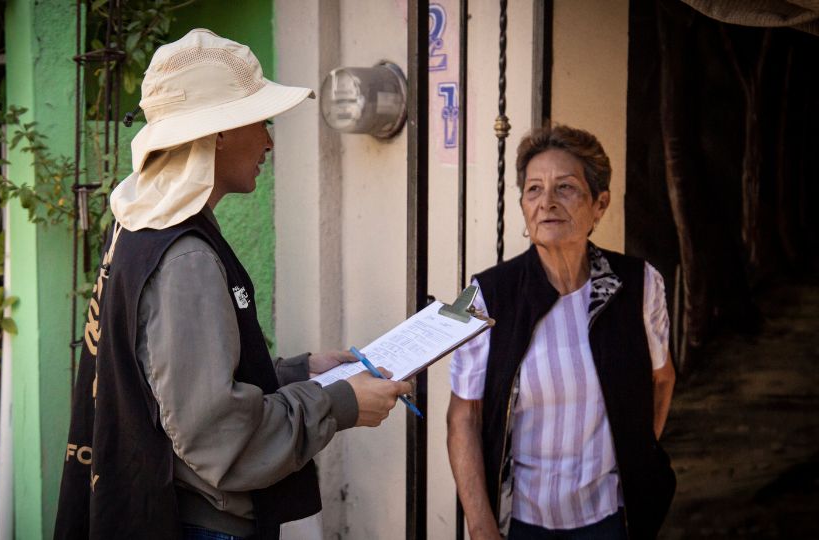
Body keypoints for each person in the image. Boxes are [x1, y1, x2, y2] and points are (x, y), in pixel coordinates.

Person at [54, 29, 412, 540]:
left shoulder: (139, 228)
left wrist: (299, 371)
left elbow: (172, 388)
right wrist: (341, 403)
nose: (268, 140)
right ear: (218, 132)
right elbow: (221, 439)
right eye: (259, 120)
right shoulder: (185, 256)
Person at [447, 125, 677, 540]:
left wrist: (634, 456)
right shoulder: (487, 295)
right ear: (522, 205)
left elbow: (662, 381)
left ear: (599, 204)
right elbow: (464, 415)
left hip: (610, 519)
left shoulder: (639, 285)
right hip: (520, 521)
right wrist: (480, 525)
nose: (547, 202)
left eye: (566, 188)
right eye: (534, 190)